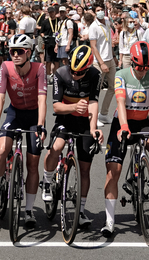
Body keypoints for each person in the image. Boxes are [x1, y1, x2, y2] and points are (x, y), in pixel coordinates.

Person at [101, 42, 149, 237]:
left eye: (147, 67)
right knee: (113, 172)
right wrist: (123, 127)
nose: (143, 71)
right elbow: (121, 102)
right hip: (122, 122)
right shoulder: (122, 75)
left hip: (143, 123)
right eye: (139, 67)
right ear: (132, 63)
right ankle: (109, 221)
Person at [0, 34, 46, 228]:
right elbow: (0, 97)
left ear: (28, 52)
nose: (14, 55)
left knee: (33, 162)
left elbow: (42, 100)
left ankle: (29, 210)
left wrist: (40, 125)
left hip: (33, 116)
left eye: (19, 51)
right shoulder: (6, 67)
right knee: (2, 149)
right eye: (12, 51)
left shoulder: (40, 69)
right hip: (14, 113)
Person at [42, 45, 103, 228]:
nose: (75, 75)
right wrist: (73, 108)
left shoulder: (95, 75)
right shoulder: (60, 73)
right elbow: (56, 106)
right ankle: (47, 181)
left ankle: (81, 210)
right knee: (57, 147)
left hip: (84, 123)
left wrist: (93, 129)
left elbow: (93, 102)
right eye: (73, 70)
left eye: (80, 72)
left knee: (85, 169)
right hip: (65, 118)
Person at [85, 11, 116, 127]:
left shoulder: (107, 21)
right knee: (96, 90)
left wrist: (113, 56)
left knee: (113, 87)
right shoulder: (93, 27)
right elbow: (93, 46)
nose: (100, 14)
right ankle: (93, 116)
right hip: (99, 61)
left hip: (110, 60)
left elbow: (108, 41)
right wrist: (101, 63)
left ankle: (103, 113)